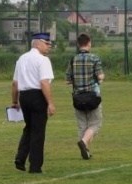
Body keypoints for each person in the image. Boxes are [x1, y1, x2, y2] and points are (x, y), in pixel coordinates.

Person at [11, 32, 56, 173]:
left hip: (24, 96)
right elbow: (44, 82)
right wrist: (50, 103)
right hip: (37, 96)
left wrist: (14, 101)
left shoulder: (21, 59)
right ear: (37, 44)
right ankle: (35, 166)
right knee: (38, 131)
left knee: (29, 128)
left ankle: (20, 157)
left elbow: (15, 83)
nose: (49, 46)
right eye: (46, 43)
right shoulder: (43, 60)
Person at [65, 32, 105, 160]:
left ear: (78, 44)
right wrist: (100, 78)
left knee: (82, 125)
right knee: (95, 123)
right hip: (92, 96)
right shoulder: (94, 58)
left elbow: (67, 80)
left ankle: (85, 152)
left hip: (78, 97)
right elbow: (100, 76)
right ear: (89, 43)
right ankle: (83, 142)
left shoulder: (73, 60)